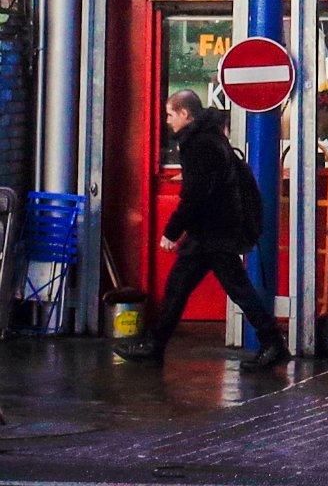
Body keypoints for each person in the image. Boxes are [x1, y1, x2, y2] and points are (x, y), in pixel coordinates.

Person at [115, 91, 288, 370]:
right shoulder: (210, 137)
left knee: (224, 289)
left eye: (170, 114)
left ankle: (272, 343)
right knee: (186, 288)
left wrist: (172, 231)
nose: (167, 121)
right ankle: (155, 345)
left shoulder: (198, 143)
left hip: (212, 232)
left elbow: (195, 195)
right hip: (214, 230)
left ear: (185, 114)